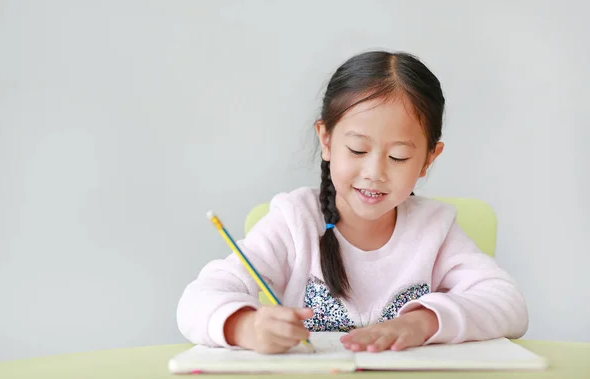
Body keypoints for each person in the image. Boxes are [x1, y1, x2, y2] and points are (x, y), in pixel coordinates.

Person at [176, 50, 528, 354]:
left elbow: (509, 305)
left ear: (428, 160)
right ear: (326, 140)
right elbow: (196, 301)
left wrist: (422, 323)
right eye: (358, 150)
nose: (375, 172)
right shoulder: (294, 220)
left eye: (400, 157)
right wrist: (246, 327)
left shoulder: (434, 227)